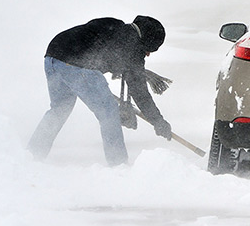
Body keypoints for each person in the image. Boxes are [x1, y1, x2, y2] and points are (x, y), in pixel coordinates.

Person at [27, 15, 172, 166]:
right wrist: (158, 121)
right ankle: (118, 165)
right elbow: (139, 92)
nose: (147, 54)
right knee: (109, 113)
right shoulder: (132, 47)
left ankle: (32, 154)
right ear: (146, 42)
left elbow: (96, 41)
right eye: (149, 49)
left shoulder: (115, 25)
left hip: (52, 57)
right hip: (76, 65)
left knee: (59, 109)